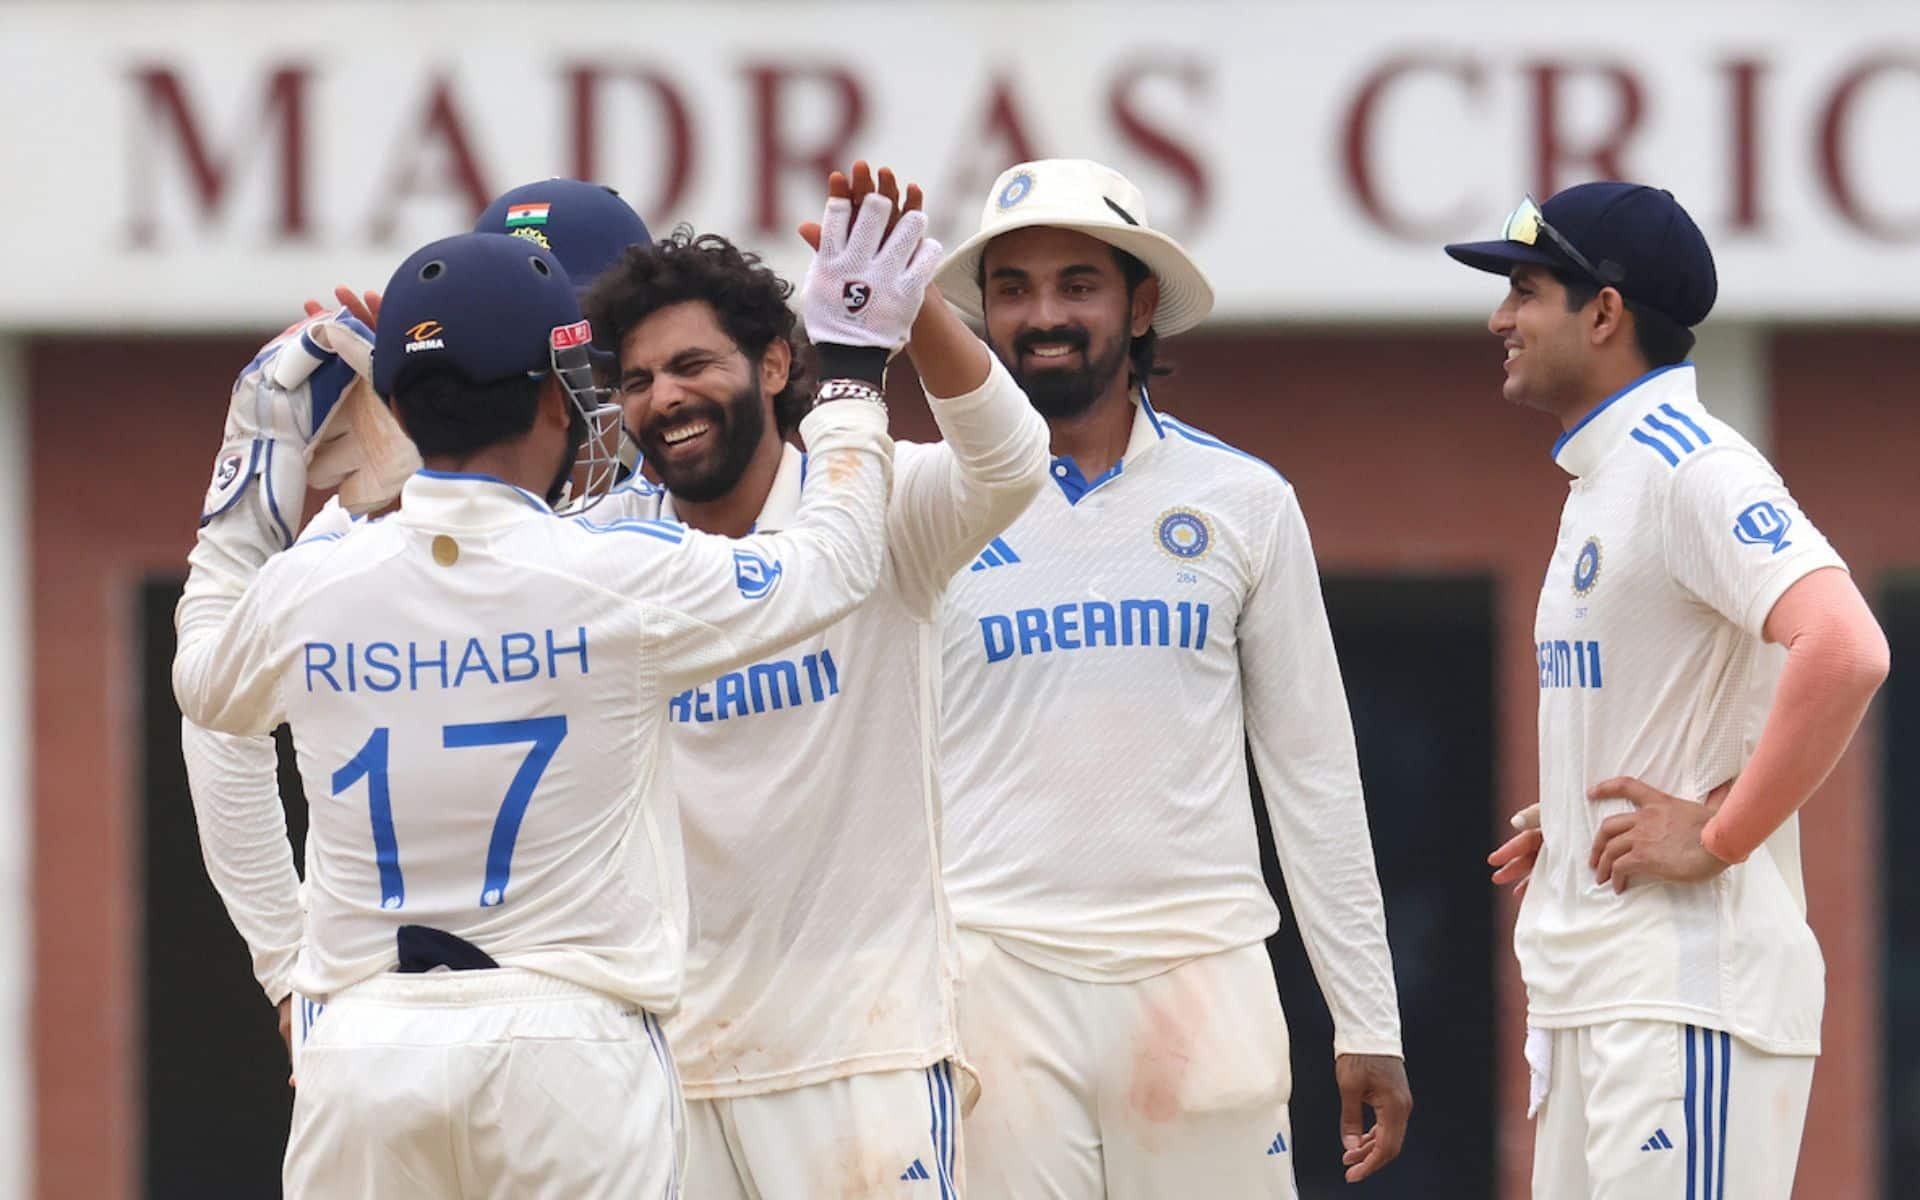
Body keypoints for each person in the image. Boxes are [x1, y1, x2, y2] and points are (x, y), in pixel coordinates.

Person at [172, 184, 930, 1194]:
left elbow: (207, 683)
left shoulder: (319, 574)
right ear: (554, 391)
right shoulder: (621, 568)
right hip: (571, 1037)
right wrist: (850, 379)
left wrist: (254, 457)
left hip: (367, 1038)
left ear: (399, 401)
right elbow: (833, 565)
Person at [927, 158, 1410, 1198]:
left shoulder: (1244, 500)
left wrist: (1366, 1015)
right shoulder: (925, 502)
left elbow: (1313, 771)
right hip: (994, 977)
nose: (1043, 315)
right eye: (1011, 289)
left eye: (1077, 285)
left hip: (1203, 973)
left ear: (1142, 304)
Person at [580, 162, 1048, 1197]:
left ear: (778, 361)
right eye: (640, 379)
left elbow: (1014, 462)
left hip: (863, 1057)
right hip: (665, 1065)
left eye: (694, 365)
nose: (665, 400)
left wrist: (904, 308)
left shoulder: (879, 502)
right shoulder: (603, 555)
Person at [1447, 181, 1890, 1198]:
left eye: (1524, 290)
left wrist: (1717, 835)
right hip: (1595, 998)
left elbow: (1845, 644)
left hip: (1686, 994)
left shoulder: (1689, 467)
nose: (1498, 319)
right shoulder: (1607, 476)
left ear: (1603, 312)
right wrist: (1574, 809)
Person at [181, 177, 658, 1071]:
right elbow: (218, 722)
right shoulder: (376, 512)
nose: (579, 376)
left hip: (672, 1005)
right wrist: (289, 965)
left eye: (596, 333)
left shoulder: (695, 498)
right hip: (474, 1014)